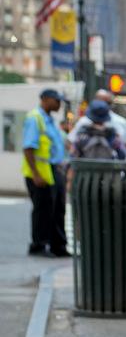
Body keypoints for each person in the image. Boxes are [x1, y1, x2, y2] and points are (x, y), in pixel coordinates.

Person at [21, 88, 69, 258]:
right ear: (46, 99)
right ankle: (39, 245)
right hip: (40, 173)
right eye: (57, 100)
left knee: (57, 210)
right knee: (43, 210)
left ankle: (58, 246)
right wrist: (36, 174)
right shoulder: (35, 118)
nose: (59, 104)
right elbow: (28, 148)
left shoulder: (49, 120)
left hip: (53, 170)